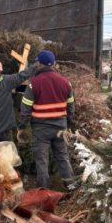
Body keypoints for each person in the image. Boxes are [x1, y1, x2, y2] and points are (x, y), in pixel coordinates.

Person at [18, 50, 76, 189]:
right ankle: (72, 187)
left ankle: (43, 191)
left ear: (40, 64)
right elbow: (71, 106)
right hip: (60, 127)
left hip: (41, 128)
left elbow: (25, 108)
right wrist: (70, 124)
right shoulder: (65, 82)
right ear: (54, 64)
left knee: (42, 161)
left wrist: (22, 127)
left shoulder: (34, 84)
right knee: (63, 157)